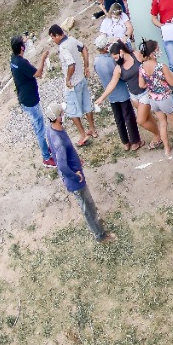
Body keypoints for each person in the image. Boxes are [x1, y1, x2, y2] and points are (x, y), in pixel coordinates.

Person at [44, 102, 116, 244]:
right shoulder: (58, 141)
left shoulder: (51, 129)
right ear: (58, 117)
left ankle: (98, 227)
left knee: (89, 205)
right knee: (88, 208)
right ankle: (100, 236)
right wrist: (75, 176)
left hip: (73, 172)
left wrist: (76, 159)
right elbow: (63, 165)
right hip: (75, 180)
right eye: (61, 114)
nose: (63, 115)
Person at [97, 41, 163, 151]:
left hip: (145, 93)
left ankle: (158, 135)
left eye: (116, 57)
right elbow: (112, 83)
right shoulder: (118, 68)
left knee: (141, 120)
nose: (115, 60)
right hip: (134, 96)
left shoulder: (136, 55)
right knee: (147, 117)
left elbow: (149, 61)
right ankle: (159, 134)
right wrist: (102, 97)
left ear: (121, 52)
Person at [10, 35, 56, 168]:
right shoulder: (22, 63)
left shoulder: (13, 60)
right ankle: (46, 158)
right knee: (40, 129)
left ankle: (46, 150)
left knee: (38, 126)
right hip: (31, 100)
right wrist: (43, 59)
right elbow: (38, 74)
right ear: (22, 48)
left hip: (23, 98)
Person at [49, 23, 97, 147]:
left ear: (57, 36)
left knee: (72, 111)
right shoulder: (72, 40)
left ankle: (83, 135)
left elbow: (71, 64)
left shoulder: (63, 48)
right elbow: (84, 48)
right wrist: (86, 66)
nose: (53, 40)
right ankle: (92, 129)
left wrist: (68, 79)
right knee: (87, 105)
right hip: (81, 79)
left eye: (53, 38)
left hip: (73, 84)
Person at [92, 37, 141, 152]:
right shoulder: (113, 60)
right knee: (128, 117)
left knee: (118, 119)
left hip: (111, 95)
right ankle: (135, 141)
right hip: (122, 92)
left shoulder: (96, 62)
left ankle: (125, 142)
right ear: (105, 47)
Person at [137, 40, 173, 158]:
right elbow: (172, 82)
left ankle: (167, 149)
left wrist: (151, 84)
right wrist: (170, 75)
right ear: (152, 53)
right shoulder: (161, 66)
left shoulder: (142, 67)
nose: (159, 51)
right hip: (166, 98)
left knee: (162, 124)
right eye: (157, 49)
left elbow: (141, 85)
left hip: (153, 99)